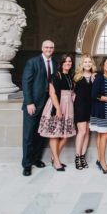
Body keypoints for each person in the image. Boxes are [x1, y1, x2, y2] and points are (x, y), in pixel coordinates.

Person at [21, 40, 57, 176]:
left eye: (51, 47)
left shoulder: (55, 62)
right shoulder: (33, 62)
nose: (49, 49)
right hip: (33, 105)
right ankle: (27, 164)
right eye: (46, 47)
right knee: (29, 135)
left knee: (41, 134)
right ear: (42, 48)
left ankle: (36, 159)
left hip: (47, 104)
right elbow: (26, 82)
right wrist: (29, 102)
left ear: (53, 49)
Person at [38, 54, 76, 171]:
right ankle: (56, 161)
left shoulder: (71, 76)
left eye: (70, 61)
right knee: (54, 134)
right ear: (61, 63)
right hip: (57, 105)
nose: (68, 63)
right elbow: (52, 93)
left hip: (68, 105)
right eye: (66, 61)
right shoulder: (55, 75)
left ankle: (54, 158)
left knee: (65, 135)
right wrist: (58, 109)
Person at [73, 54, 97, 170]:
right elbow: (72, 94)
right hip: (80, 107)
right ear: (81, 64)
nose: (87, 64)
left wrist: (95, 76)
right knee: (81, 132)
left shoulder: (95, 76)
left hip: (91, 107)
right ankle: (77, 157)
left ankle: (83, 156)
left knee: (87, 132)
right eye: (85, 62)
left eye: (89, 62)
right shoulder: (77, 77)